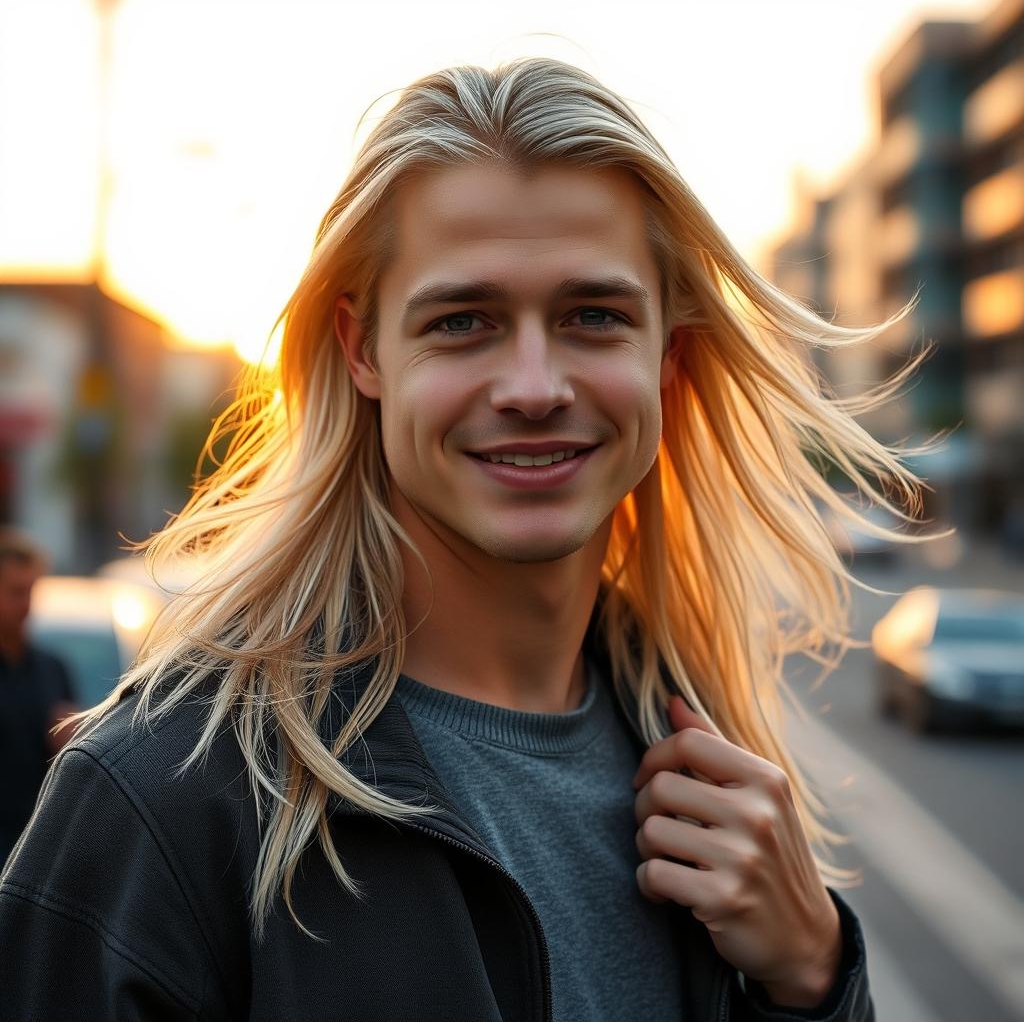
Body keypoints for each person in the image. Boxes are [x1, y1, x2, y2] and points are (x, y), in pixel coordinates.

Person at [0, 57, 945, 1020]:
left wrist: (814, 977)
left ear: (669, 353)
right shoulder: (158, 801)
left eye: (593, 316)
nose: (534, 386)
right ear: (365, 352)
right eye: (463, 321)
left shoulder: (699, 760)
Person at [0, 527, 77, 866]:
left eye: (31, 591)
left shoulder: (52, 668)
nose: (26, 604)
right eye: (16, 592)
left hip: (37, 847)